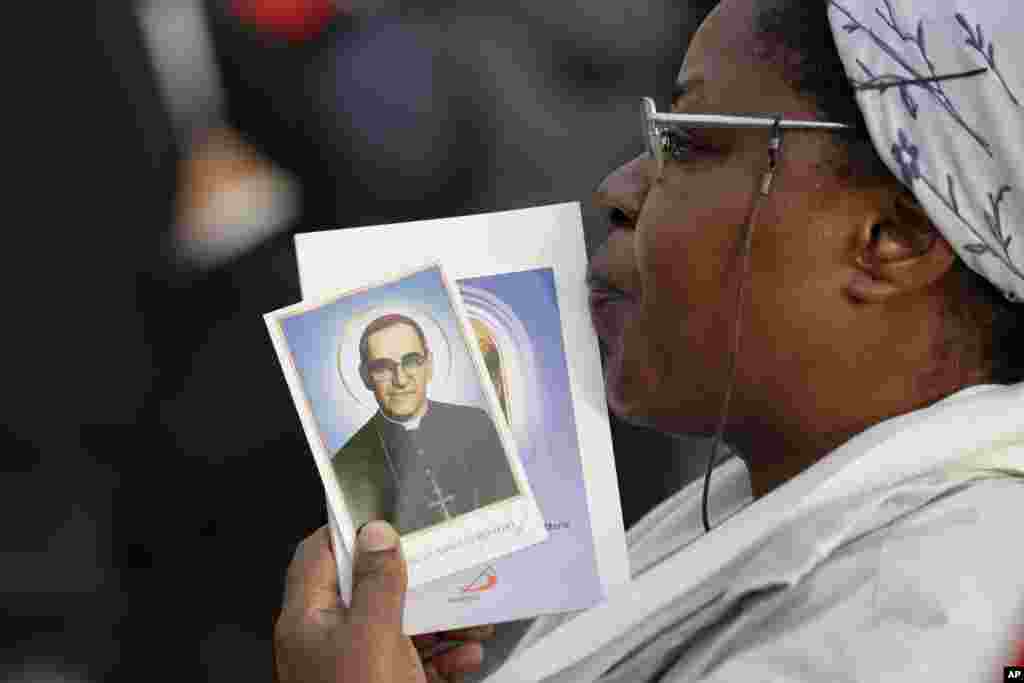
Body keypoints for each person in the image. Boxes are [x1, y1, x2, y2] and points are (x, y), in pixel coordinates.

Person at [276, 0, 1023, 680]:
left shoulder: (915, 620)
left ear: (892, 237)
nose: (618, 188)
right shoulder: (778, 502)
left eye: (689, 142)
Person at [332, 314, 519, 535]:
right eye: (383, 368)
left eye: (411, 361)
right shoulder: (345, 466)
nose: (400, 380)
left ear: (428, 365)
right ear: (365, 377)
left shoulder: (476, 424)